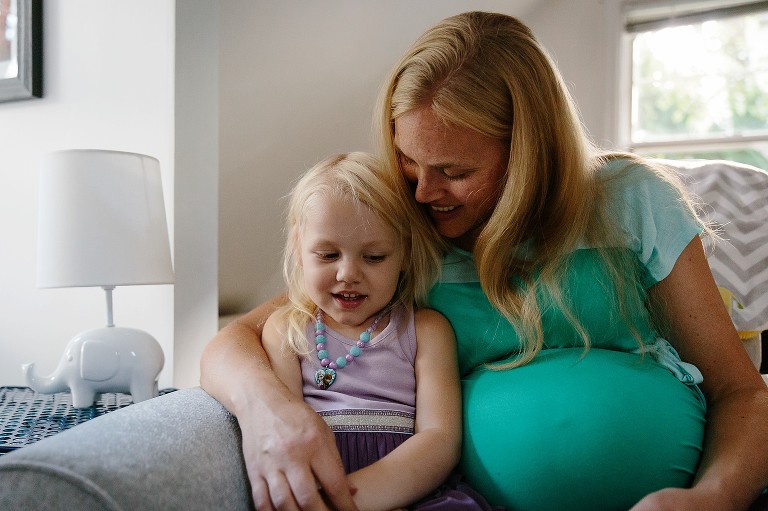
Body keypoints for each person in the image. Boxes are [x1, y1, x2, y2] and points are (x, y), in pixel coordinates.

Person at [201, 11, 768, 511]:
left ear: (530, 153)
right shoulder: (402, 230)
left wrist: (713, 499)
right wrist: (269, 413)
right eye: (407, 160)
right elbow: (238, 340)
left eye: (454, 171)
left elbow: (740, 392)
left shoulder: (633, 200)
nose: (423, 191)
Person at [259, 151, 494, 510]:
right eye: (327, 255)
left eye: (374, 257)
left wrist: (351, 501)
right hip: (318, 493)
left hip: (409, 490)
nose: (348, 274)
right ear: (298, 247)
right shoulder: (287, 331)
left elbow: (439, 439)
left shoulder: (426, 331)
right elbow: (283, 431)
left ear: (404, 255)